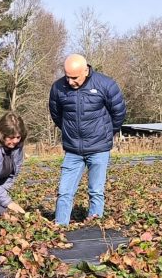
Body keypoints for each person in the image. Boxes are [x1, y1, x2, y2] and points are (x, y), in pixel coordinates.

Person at [49, 53, 126, 225]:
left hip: (99, 148)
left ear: (85, 70)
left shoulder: (105, 84)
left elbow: (119, 113)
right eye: (67, 77)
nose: (70, 82)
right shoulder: (58, 88)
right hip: (73, 149)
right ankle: (60, 226)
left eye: (74, 78)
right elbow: (56, 115)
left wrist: (106, 133)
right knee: (64, 191)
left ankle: (94, 225)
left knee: (96, 191)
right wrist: (70, 133)